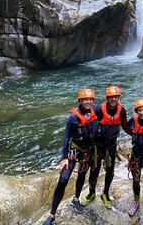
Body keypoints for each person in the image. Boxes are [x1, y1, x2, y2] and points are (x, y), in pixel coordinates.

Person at [42, 88, 99, 225]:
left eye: (90, 99)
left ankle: (76, 199)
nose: (88, 102)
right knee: (63, 180)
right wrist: (64, 157)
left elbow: (110, 108)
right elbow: (66, 137)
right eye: (85, 99)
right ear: (80, 100)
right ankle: (52, 214)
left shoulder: (95, 109)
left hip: (88, 152)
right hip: (74, 151)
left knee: (82, 176)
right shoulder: (73, 117)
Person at [81, 86, 132, 208]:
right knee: (94, 172)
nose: (113, 99)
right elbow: (87, 121)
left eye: (116, 97)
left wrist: (135, 133)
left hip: (111, 147)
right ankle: (91, 193)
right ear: (107, 98)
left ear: (118, 98)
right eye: (111, 97)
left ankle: (105, 194)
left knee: (110, 172)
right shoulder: (98, 109)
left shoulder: (122, 111)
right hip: (97, 147)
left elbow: (125, 126)